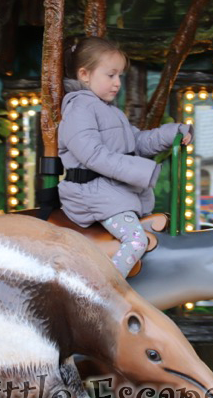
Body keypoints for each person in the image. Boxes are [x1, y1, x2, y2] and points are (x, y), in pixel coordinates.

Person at [58, 37, 192, 278]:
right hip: (91, 193)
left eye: (119, 76)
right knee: (136, 241)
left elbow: (136, 143)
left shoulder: (109, 111)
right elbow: (93, 154)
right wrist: (140, 171)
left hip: (111, 193)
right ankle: (104, 291)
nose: (117, 83)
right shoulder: (79, 109)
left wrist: (172, 132)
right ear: (84, 74)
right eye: (111, 75)